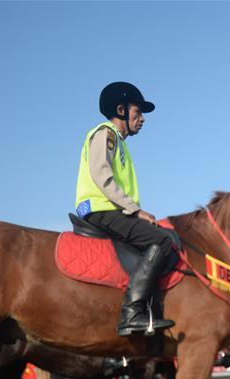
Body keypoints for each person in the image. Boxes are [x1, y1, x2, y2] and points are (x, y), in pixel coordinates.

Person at [75, 82, 178, 336]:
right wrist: (134, 210)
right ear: (121, 109)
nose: (142, 119)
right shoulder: (106, 133)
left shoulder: (121, 143)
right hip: (102, 209)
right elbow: (102, 175)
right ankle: (132, 312)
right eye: (138, 112)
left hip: (111, 210)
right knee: (163, 241)